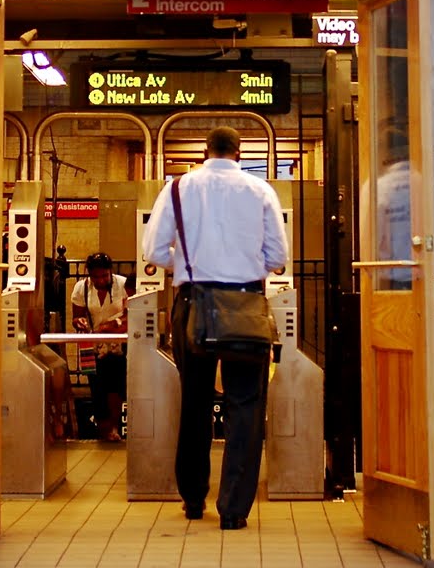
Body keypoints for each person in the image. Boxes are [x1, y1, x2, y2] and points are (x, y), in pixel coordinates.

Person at [142, 126, 289, 531]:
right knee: (245, 404)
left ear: (205, 151)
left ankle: (193, 499)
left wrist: (190, 265)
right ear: (239, 153)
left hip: (193, 302)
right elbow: (278, 257)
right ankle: (234, 509)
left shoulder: (177, 189)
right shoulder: (261, 192)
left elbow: (153, 251)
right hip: (245, 303)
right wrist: (242, 269)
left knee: (195, 401)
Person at [71, 251, 129, 441]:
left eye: (104, 275)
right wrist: (79, 322)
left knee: (116, 385)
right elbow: (76, 316)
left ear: (110, 272)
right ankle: (104, 430)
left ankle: (113, 428)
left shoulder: (123, 284)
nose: (100, 280)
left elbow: (132, 315)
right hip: (92, 343)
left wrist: (112, 325)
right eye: (95, 276)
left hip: (118, 343)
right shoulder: (81, 288)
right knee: (97, 387)